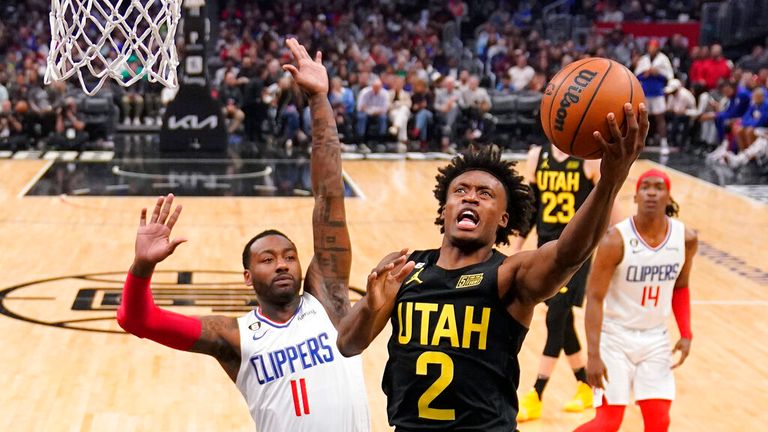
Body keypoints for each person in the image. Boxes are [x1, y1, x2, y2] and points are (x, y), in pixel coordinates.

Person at [337, 103, 649, 430]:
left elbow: (566, 255)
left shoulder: (509, 275)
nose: (470, 198)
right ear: (445, 209)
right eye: (461, 191)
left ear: (503, 219)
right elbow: (347, 344)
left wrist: (610, 180)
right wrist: (371, 308)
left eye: (484, 194)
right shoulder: (404, 268)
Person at [116, 39, 369, 432]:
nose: (283, 263)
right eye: (267, 260)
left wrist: (319, 101)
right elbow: (137, 320)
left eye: (289, 256)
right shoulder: (233, 337)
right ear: (248, 278)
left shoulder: (329, 301)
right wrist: (142, 266)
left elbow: (329, 194)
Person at [575, 169, 697, 432]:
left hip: (655, 339)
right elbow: (594, 298)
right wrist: (593, 355)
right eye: (645, 187)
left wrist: (686, 334)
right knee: (607, 422)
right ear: (636, 196)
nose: (651, 192)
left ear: (669, 196)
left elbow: (681, 287)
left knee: (659, 421)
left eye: (658, 187)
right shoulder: (615, 240)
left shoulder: (685, 239)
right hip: (615, 338)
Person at [512, 142, 604, 422]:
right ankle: (585, 385)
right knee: (562, 323)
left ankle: (536, 394)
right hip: (546, 251)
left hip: (578, 252)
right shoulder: (536, 156)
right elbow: (533, 206)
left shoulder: (588, 160)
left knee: (555, 318)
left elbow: (603, 204)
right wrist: (516, 250)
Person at [635, 39, 674, 154]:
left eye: (653, 47)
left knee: (660, 118)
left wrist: (658, 74)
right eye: (649, 48)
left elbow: (668, 76)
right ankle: (639, 142)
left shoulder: (663, 59)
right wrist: (645, 73)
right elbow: (637, 75)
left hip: (657, 92)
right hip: (645, 92)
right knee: (642, 119)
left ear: (657, 48)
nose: (651, 50)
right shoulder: (644, 59)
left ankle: (664, 143)